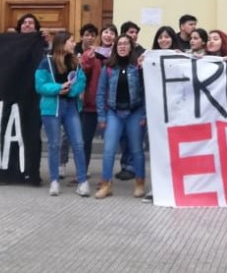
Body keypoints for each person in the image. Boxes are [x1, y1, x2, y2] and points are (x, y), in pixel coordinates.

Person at [35, 31, 91, 197]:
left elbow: (81, 81)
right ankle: (54, 181)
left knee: (78, 143)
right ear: (62, 43)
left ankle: (82, 181)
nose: (74, 44)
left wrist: (71, 90)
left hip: (71, 106)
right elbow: (40, 85)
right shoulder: (46, 63)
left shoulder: (75, 62)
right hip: (51, 108)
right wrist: (58, 88)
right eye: (71, 41)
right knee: (54, 144)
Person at [95, 35, 147, 200]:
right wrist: (102, 116)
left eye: (126, 44)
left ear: (131, 47)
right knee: (109, 150)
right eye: (119, 44)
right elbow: (101, 92)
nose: (122, 46)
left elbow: (146, 91)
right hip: (114, 113)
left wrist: (144, 114)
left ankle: (139, 183)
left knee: (137, 150)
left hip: (134, 112)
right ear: (115, 47)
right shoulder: (108, 67)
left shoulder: (138, 68)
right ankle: (106, 184)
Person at [78, 24, 116, 177]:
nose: (109, 35)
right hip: (90, 104)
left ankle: (106, 177)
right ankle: (82, 172)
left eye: (112, 33)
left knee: (110, 144)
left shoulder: (118, 53)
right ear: (101, 35)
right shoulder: (91, 52)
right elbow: (82, 71)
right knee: (84, 141)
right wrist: (87, 58)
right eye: (106, 32)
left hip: (111, 106)